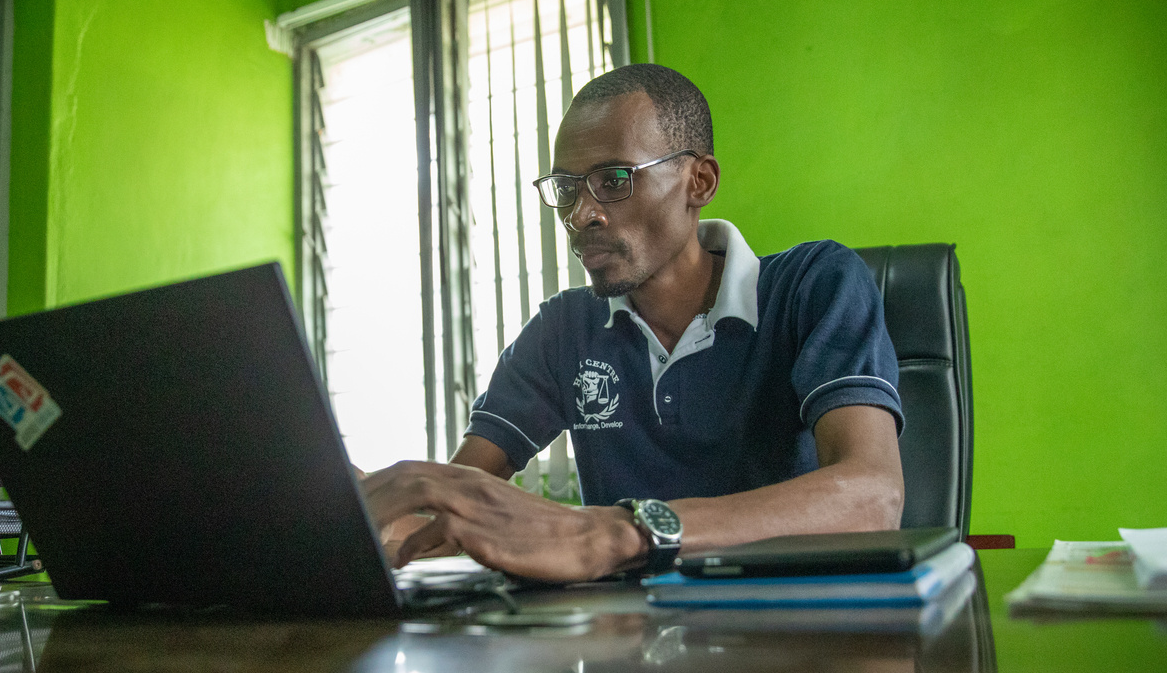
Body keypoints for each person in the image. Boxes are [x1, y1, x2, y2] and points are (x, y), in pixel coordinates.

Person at [362, 64, 904, 582]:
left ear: (699, 181)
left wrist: (619, 533)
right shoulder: (563, 330)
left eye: (613, 180)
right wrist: (352, 506)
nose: (581, 214)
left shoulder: (812, 285)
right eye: (568, 188)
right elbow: (445, 523)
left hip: (791, 635)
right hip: (631, 650)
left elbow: (873, 495)